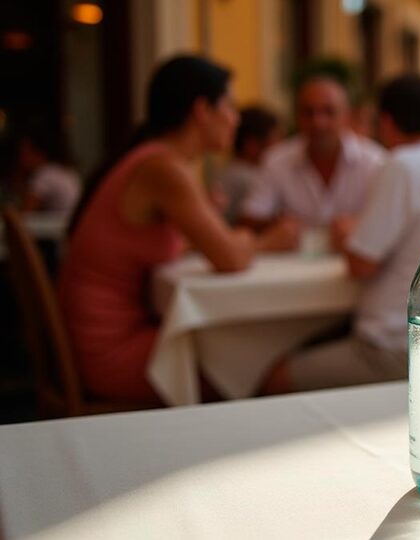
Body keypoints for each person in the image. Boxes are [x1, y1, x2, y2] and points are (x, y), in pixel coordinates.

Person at [59, 56, 297, 403]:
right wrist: (266, 240)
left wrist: (212, 231)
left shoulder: (152, 160)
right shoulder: (164, 168)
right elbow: (230, 259)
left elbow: (175, 246)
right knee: (256, 371)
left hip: (103, 339)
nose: (236, 118)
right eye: (229, 105)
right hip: (111, 353)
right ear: (202, 110)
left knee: (237, 355)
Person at [262, 74, 420, 393]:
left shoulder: (402, 165)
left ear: (385, 121)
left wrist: (349, 237)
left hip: (398, 344)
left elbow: (361, 265)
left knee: (273, 376)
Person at [241, 77, 385, 229]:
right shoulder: (276, 160)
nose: (318, 122)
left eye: (328, 112)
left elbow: (390, 222)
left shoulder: (375, 162)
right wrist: (278, 226)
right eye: (308, 112)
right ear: (297, 116)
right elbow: (251, 217)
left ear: (346, 116)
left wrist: (359, 227)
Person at [211, 106, 280, 224]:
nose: (279, 150)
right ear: (251, 145)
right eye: (274, 143)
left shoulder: (229, 172)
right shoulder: (249, 179)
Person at [13, 124, 81, 213]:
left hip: (64, 225)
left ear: (39, 153)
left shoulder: (45, 174)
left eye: (24, 153)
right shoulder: (63, 170)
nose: (20, 158)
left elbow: (25, 212)